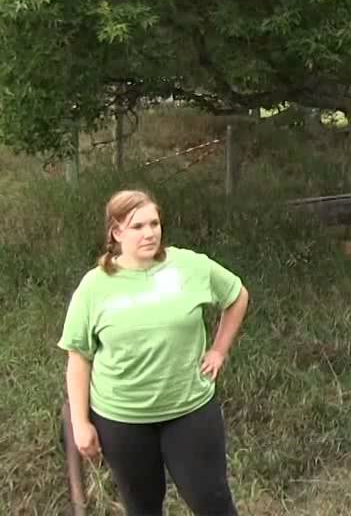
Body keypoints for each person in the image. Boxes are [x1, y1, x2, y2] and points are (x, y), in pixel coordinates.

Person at [59, 189, 250, 516]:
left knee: (212, 502)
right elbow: (78, 357)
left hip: (188, 409)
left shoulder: (190, 265)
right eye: (137, 227)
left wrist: (219, 350)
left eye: (154, 224)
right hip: (122, 419)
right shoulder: (94, 286)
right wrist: (80, 422)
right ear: (116, 233)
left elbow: (237, 295)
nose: (149, 233)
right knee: (143, 507)